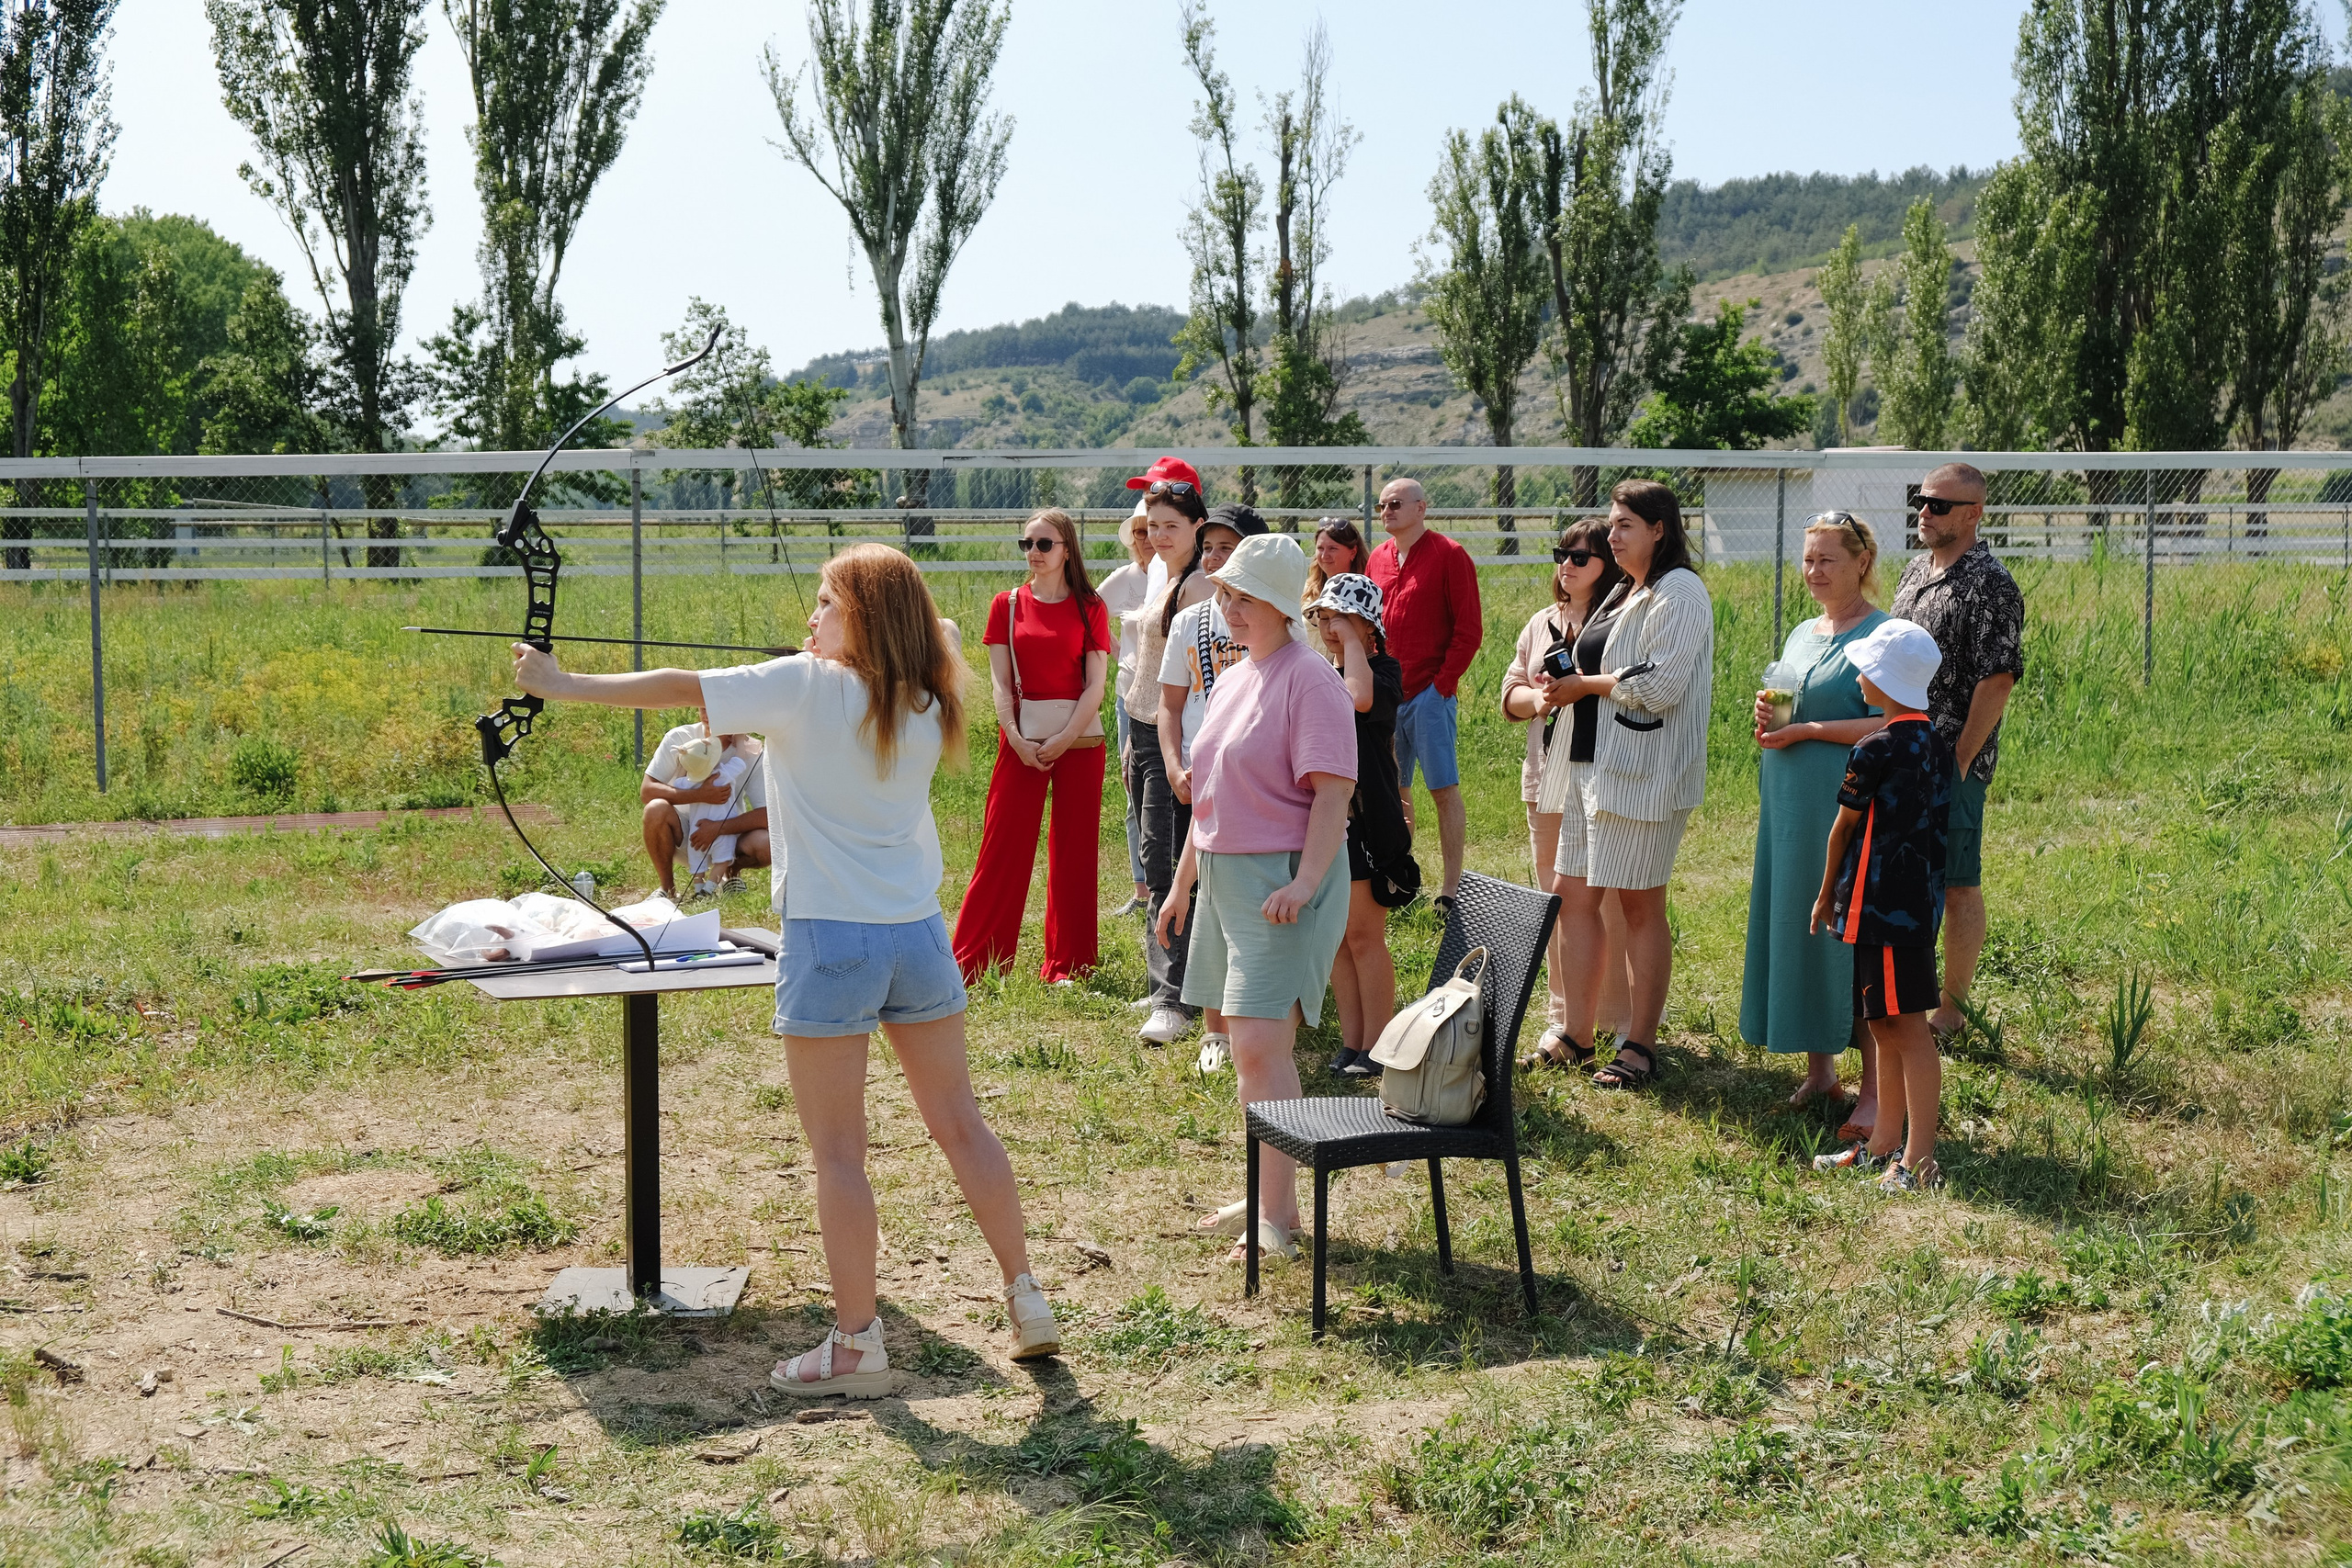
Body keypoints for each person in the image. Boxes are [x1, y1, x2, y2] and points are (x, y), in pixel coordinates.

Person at [508, 544, 1059, 1394]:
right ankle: (1028, 1300)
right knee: (963, 1124)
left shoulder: (804, 686)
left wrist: (562, 682)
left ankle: (854, 1346)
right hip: (916, 934)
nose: (810, 618)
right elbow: (936, 629)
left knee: (840, 1153)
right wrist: (880, 623)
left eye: (825, 603)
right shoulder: (927, 694)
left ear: (865, 620)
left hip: (833, 938)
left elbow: (677, 683)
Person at [1157, 534, 1356, 1261]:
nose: (1228, 608)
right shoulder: (1239, 675)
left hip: (1279, 885)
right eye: (1224, 595)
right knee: (1246, 1051)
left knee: (1262, 1047)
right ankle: (1266, 1185)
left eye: (1242, 596)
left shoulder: (1313, 679)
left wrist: (1303, 883)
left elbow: (1334, 795)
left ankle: (1278, 1216)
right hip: (1224, 880)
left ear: (1279, 603)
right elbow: (1209, 794)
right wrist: (1182, 886)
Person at [1549, 479, 1713, 1090]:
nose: (1611, 535)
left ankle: (1640, 1044)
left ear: (1659, 529)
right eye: (1612, 524)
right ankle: (1577, 1032)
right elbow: (1602, 666)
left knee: (1642, 907)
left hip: (1645, 774)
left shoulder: (1681, 591)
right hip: (1590, 766)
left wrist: (1583, 687)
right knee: (1574, 897)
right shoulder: (1624, 588)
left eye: (1623, 525)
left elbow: (1659, 686)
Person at [1741, 513, 1893, 1133]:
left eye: (1828, 559)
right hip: (1790, 807)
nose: (1814, 571)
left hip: (1846, 804)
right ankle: (1821, 1069)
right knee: (1803, 920)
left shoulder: (1882, 634)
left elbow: (1887, 722)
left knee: (1847, 937)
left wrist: (1806, 729)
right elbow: (1790, 697)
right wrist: (1773, 712)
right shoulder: (1805, 630)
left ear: (1862, 561)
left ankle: (1878, 1090)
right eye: (1808, 560)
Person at [1808, 619, 1953, 1193]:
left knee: (1906, 1030)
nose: (1859, 674)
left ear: (1885, 679)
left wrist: (1824, 897)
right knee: (1884, 1023)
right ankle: (1883, 1144)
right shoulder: (1938, 743)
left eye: (1867, 666)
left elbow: (1842, 831)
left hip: (1878, 910)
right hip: (1917, 908)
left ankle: (1918, 1163)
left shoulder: (1874, 748)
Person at [1889, 462, 2024, 1046]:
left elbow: (1997, 680)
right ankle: (1903, 992)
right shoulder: (1915, 571)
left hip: (1949, 760)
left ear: (1973, 514)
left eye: (1939, 504)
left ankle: (1952, 1008)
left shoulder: (1990, 584)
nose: (1924, 511)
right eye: (1919, 500)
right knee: (1904, 877)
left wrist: (1961, 760)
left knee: (1957, 881)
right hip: (1901, 753)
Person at [951, 509, 1111, 985]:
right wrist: (1016, 738)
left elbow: (1096, 685)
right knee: (1001, 848)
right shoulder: (1007, 604)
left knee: (1074, 852)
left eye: (1044, 544)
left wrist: (1063, 739)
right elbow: (1001, 682)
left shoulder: (1091, 606)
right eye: (1027, 544)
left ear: (1067, 549)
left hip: (1078, 741)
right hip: (1019, 739)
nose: (1034, 554)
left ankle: (1069, 967)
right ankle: (974, 962)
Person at [1501, 520, 1633, 1065]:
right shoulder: (1542, 622)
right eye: (1561, 555)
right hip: (1547, 775)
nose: (1567, 566)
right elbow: (1510, 692)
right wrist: (1541, 700)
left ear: (1608, 564)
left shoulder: (1622, 621)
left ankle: (1620, 1020)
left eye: (1581, 557)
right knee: (1556, 900)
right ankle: (1563, 1021)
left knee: (1612, 905)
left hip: (1604, 776)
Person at [1159, 502, 1266, 1073]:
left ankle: (1262, 1013)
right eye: (1210, 548)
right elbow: (1170, 706)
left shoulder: (1282, 622)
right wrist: (1175, 766)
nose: (1215, 559)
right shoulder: (1189, 621)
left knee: (1249, 900)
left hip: (1256, 784)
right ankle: (1204, 1019)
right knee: (1193, 895)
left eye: (1229, 547)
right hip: (1198, 782)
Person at [1125, 460, 1216, 1045]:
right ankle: (1170, 978)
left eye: (1171, 526)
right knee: (1158, 854)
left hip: (1174, 738)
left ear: (1198, 527)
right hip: (1144, 724)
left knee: (1168, 861)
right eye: (1152, 525)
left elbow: (1195, 683)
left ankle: (1176, 999)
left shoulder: (1199, 586)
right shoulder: (1163, 572)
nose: (1158, 536)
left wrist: (1180, 753)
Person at [1306, 572, 1409, 1078]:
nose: (1329, 626)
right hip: (1329, 823)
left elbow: (1359, 700)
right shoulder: (1319, 670)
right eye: (1324, 618)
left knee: (1365, 936)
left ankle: (1378, 1045)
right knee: (1338, 940)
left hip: (1368, 823)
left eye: (1342, 618)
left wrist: (1352, 639)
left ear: (1370, 627)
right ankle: (1352, 1043)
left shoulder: (1382, 671)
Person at [1365, 478, 1482, 909]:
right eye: (1381, 506)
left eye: (1395, 503)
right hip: (1388, 693)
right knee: (1391, 789)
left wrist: (1442, 686)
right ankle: (1397, 877)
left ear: (1421, 508)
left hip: (1430, 694)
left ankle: (1451, 889)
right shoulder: (1377, 558)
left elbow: (1469, 631)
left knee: (1442, 789)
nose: (1386, 512)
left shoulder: (1450, 556)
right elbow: (1368, 625)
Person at [1099, 502, 1155, 917]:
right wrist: (1118, 654)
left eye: (1154, 530)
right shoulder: (1126, 579)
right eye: (1140, 532)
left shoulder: (1184, 575)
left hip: (1181, 693)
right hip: (1132, 694)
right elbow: (1089, 613)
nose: (1148, 539)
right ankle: (1143, 889)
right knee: (1133, 784)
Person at [642, 716, 768, 900]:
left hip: (729, 836)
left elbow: (767, 814)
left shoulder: (754, 751)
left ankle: (730, 875)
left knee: (769, 843)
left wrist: (718, 828)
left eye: (713, 702)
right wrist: (701, 794)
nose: (705, 709)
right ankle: (667, 890)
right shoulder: (680, 737)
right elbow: (647, 791)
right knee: (655, 809)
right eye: (702, 702)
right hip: (687, 835)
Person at [1303, 516, 1372, 610]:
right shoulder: (1307, 591)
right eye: (1320, 548)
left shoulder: (1368, 591)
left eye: (1333, 548)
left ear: (1353, 552)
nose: (1324, 556)